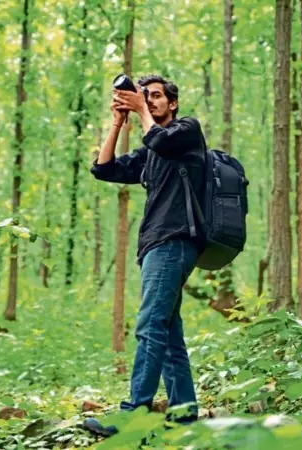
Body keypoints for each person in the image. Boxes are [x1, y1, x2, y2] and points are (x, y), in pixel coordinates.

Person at [82, 74, 207, 437]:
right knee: (168, 334)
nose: (149, 100)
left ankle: (133, 415)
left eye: (155, 96)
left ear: (173, 103)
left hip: (175, 240)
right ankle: (184, 417)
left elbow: (160, 139)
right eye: (144, 96)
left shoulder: (186, 131)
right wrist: (117, 122)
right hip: (154, 245)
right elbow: (104, 168)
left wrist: (140, 110)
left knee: (150, 326)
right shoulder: (149, 151)